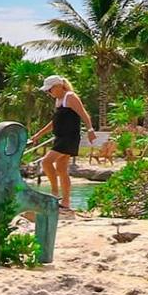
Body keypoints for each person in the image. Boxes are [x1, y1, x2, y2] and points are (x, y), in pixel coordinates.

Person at [32, 75, 92, 211]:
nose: (49, 93)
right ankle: (65, 202)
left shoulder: (70, 96)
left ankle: (54, 193)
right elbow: (54, 122)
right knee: (61, 169)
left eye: (50, 89)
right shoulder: (59, 101)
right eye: (47, 91)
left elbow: (83, 114)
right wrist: (39, 134)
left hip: (69, 137)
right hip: (60, 137)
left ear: (59, 86)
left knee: (46, 162)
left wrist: (90, 129)